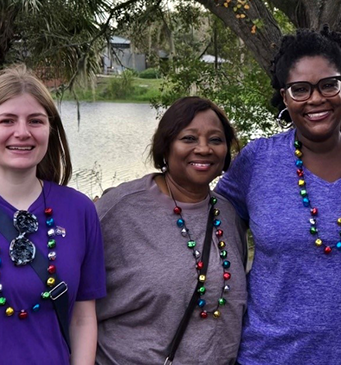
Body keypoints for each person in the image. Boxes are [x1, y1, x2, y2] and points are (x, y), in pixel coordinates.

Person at [214, 26, 341, 364]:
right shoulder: (257, 161)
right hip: (271, 355)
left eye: (329, 84)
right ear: (285, 97)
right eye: (300, 89)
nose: (316, 99)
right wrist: (145, 197)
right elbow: (205, 219)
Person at [0, 65, 105, 365]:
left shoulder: (80, 211)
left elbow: (82, 317)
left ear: (50, 131)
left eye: (35, 121)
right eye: (7, 120)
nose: (22, 132)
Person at [95, 96, 247, 364]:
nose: (203, 148)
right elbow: (72, 296)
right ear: (165, 146)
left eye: (215, 139)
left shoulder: (229, 213)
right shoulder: (119, 208)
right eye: (189, 138)